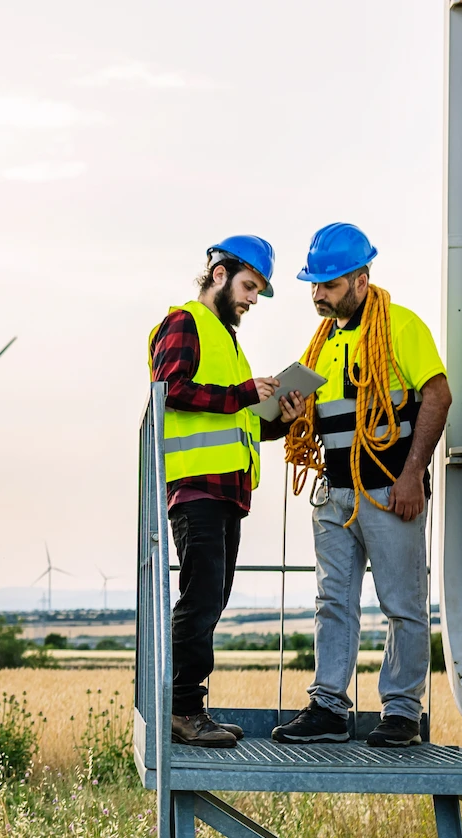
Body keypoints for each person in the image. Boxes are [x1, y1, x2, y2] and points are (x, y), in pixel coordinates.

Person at [271, 222, 452, 748]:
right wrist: (283, 410)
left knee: (402, 604)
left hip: (390, 493)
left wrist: (412, 473)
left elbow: (436, 397)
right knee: (333, 601)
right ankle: (327, 707)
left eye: (327, 285)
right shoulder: (320, 346)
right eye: (313, 285)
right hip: (333, 495)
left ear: (361, 278)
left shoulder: (402, 326)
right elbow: (294, 422)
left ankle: (401, 713)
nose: (317, 295)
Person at [148, 236, 290, 747]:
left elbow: (237, 420)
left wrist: (276, 421)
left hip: (228, 492)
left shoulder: (228, 341)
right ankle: (181, 709)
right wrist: (246, 392)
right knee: (200, 596)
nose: (253, 299)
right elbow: (172, 389)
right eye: (250, 286)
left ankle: (191, 707)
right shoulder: (185, 322)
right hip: (196, 489)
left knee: (213, 599)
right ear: (219, 274)